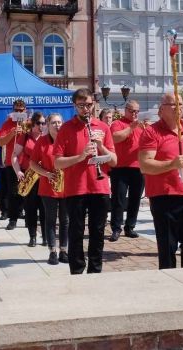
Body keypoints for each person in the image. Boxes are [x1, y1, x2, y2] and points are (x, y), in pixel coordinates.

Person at [138, 92, 183, 269]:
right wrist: (171, 164)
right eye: (173, 105)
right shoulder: (151, 132)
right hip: (164, 196)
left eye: (180, 104)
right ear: (161, 109)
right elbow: (145, 165)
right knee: (167, 248)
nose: (178, 108)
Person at [54, 88, 117, 274]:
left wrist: (101, 146)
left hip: (100, 188)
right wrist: (81, 157)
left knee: (98, 233)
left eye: (89, 105)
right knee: (76, 233)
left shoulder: (103, 128)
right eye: (82, 105)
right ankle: (77, 270)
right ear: (75, 106)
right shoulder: (66, 128)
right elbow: (57, 162)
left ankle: (95, 271)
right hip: (76, 189)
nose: (86, 109)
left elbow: (114, 161)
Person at [30, 113, 69, 264]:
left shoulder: (67, 140)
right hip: (48, 186)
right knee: (50, 219)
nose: (57, 125)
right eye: (54, 122)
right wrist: (46, 173)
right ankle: (52, 251)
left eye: (59, 122)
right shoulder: (42, 142)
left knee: (65, 220)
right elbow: (33, 163)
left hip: (66, 185)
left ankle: (64, 251)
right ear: (47, 124)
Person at [109, 100, 145, 242]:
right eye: (132, 111)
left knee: (135, 199)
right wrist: (131, 127)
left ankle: (130, 226)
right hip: (120, 168)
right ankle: (116, 228)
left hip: (138, 167)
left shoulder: (141, 126)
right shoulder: (118, 124)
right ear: (126, 110)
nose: (135, 114)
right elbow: (115, 138)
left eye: (137, 111)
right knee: (119, 198)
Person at [12, 111, 46, 247]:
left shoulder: (47, 138)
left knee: (45, 208)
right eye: (39, 123)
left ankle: (45, 236)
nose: (41, 126)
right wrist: (18, 171)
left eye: (44, 123)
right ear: (33, 124)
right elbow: (14, 155)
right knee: (30, 207)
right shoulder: (25, 137)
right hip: (29, 175)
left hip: (44, 175)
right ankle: (32, 236)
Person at [0, 99, 27, 230]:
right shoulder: (7, 124)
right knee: (13, 192)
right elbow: (1, 142)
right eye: (16, 110)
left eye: (21, 110)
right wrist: (12, 133)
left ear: (25, 111)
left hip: (27, 162)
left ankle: (25, 215)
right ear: (12, 111)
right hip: (12, 162)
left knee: (27, 191)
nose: (19, 112)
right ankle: (12, 219)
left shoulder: (30, 123)